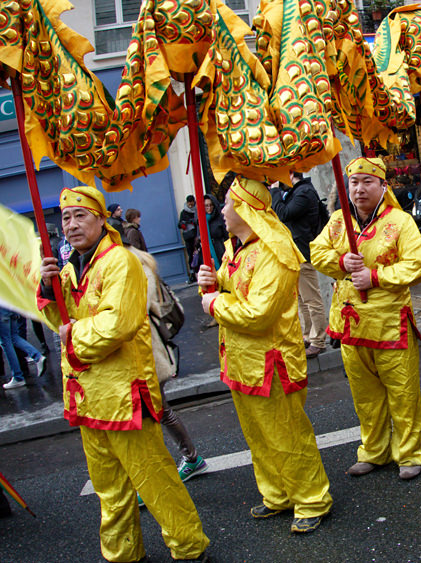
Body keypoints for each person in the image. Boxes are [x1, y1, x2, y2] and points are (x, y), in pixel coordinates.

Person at [37, 186, 209, 563]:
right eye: (65, 218)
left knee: (156, 482)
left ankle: (189, 548)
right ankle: (123, 554)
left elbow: (118, 326)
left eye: (81, 215)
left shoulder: (121, 262)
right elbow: (57, 320)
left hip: (125, 397)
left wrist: (71, 336)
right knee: (109, 490)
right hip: (88, 397)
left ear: (101, 219)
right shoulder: (69, 269)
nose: (71, 224)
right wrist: (48, 291)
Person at [197, 175, 332, 533]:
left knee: (287, 435)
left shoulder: (274, 250)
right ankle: (277, 494)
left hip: (271, 362)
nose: (222, 210)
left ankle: (311, 498)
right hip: (241, 361)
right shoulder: (237, 247)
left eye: (227, 203)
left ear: (244, 208)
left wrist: (214, 302)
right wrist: (211, 281)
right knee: (258, 436)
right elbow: (231, 286)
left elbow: (258, 314)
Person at [311, 157, 421, 480]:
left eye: (368, 182)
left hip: (390, 324)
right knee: (365, 397)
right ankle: (373, 451)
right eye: (354, 182)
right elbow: (316, 252)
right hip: (351, 325)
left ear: (382, 186)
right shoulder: (338, 221)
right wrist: (341, 261)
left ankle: (408, 453)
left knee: (403, 394)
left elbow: (419, 264)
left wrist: (375, 277)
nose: (360, 189)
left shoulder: (400, 222)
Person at [126, 243, 208, 494]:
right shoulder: (133, 262)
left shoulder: (132, 265)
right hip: (140, 355)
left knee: (151, 414)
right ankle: (189, 458)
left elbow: (130, 312)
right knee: (157, 410)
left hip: (145, 355)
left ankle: (167, 473)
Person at [271, 171, 328, 359]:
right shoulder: (298, 192)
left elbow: (283, 214)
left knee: (311, 298)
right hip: (295, 252)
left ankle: (319, 340)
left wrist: (275, 192)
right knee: (303, 299)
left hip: (303, 251)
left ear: (290, 174)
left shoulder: (304, 192)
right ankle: (308, 335)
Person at [0, 307, 46, 389]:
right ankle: (37, 356)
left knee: (5, 342)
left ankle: (18, 377)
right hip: (11, 306)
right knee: (14, 337)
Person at [203, 194, 227, 270]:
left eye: (211, 205)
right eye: (206, 206)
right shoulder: (201, 220)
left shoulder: (219, 218)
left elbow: (226, 235)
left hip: (220, 250)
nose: (209, 208)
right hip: (207, 252)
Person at [179, 195, 199, 282]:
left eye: (192, 202)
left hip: (197, 236)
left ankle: (198, 273)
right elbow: (179, 224)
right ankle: (192, 275)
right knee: (191, 256)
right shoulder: (183, 212)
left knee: (198, 255)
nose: (190, 204)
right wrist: (183, 224)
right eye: (189, 203)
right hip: (188, 237)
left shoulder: (197, 211)